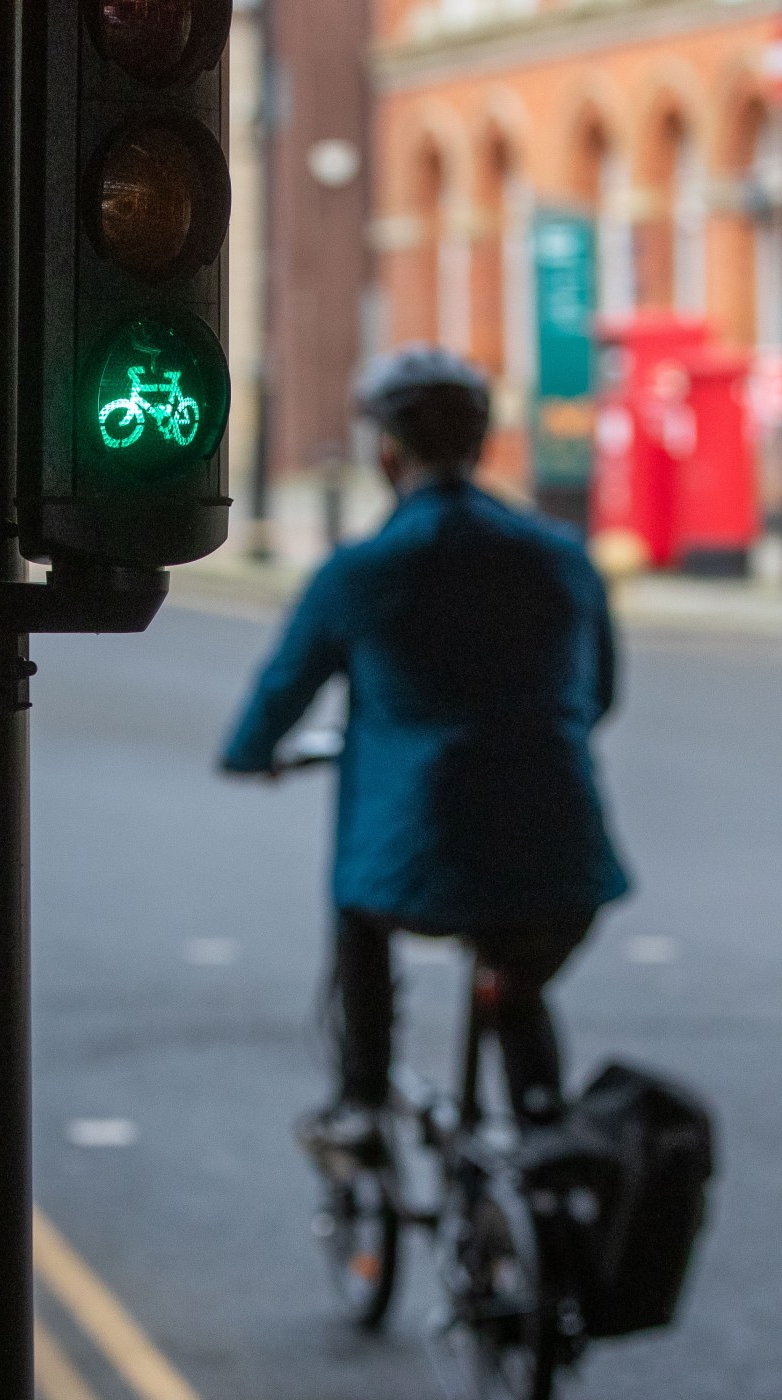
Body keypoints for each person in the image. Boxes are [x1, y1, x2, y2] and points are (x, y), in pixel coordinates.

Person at [219, 346, 631, 1163]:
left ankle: (363, 1102)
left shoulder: (364, 570)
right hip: (564, 861)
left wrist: (252, 754)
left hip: (424, 863)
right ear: (482, 446)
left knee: (359, 904)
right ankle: (542, 1130)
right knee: (517, 975)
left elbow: (276, 700)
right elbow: (601, 696)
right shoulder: (561, 558)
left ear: (385, 452)